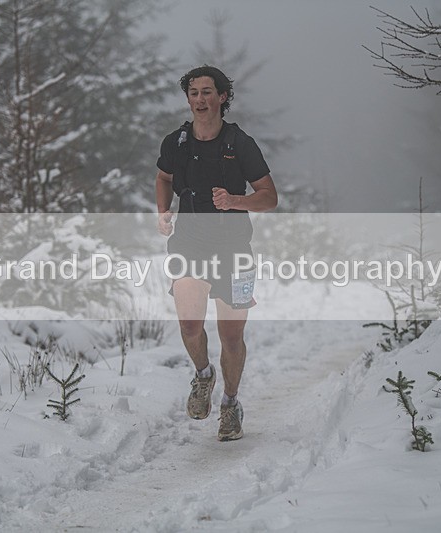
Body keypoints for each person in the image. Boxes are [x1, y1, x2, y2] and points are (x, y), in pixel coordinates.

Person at [155, 65, 278, 441]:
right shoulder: (176, 143)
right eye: (193, 92)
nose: (200, 99)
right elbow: (163, 178)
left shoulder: (239, 144)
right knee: (190, 324)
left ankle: (230, 403)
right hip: (189, 243)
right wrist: (163, 211)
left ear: (222, 97)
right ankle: (204, 376)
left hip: (235, 248)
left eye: (207, 92)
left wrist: (236, 200)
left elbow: (270, 197)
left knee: (231, 335)